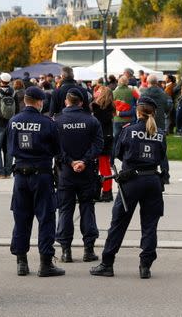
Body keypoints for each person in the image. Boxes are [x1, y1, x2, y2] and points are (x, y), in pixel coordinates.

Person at [90, 96, 166, 279]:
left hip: (131, 181)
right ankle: (145, 266)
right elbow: (161, 156)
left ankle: (107, 263)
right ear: (153, 112)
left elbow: (118, 153)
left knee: (118, 224)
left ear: (137, 111)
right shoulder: (160, 133)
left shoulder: (128, 130)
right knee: (149, 225)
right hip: (152, 181)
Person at [7, 86, 64, 277]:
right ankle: (45, 263)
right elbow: (57, 149)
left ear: (25, 101)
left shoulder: (14, 121)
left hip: (21, 175)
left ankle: (21, 262)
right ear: (39, 102)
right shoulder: (47, 123)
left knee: (21, 218)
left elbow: (9, 147)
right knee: (46, 217)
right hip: (42, 175)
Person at [55, 88, 104, 263]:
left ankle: (66, 251)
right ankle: (88, 249)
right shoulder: (91, 120)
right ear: (82, 103)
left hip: (66, 173)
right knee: (87, 208)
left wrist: (70, 162)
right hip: (87, 172)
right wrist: (83, 161)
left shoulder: (57, 121)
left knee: (65, 210)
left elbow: (55, 148)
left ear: (67, 102)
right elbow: (99, 145)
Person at [140, 74, 172, 184]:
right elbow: (169, 107)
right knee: (162, 150)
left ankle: (148, 172)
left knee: (146, 148)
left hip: (146, 124)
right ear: (157, 82)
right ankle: (165, 175)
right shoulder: (163, 94)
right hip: (160, 124)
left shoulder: (144, 93)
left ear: (148, 82)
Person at [91, 86, 115, 202]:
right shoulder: (108, 108)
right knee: (104, 166)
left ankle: (106, 192)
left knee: (103, 167)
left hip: (102, 139)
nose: (96, 92)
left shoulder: (98, 109)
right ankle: (107, 190)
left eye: (99, 91)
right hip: (107, 137)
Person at [112, 76, 137, 149]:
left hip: (117, 120)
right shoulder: (132, 91)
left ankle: (112, 159)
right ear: (127, 82)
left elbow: (112, 106)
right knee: (130, 140)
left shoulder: (114, 92)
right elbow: (138, 102)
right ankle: (128, 157)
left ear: (119, 82)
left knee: (115, 140)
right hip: (129, 120)